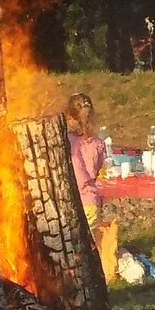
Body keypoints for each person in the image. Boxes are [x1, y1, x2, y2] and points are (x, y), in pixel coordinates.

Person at [64, 93, 106, 227]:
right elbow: (98, 171)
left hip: (71, 204)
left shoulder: (64, 142)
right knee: (93, 246)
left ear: (68, 115)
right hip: (91, 203)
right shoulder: (98, 143)